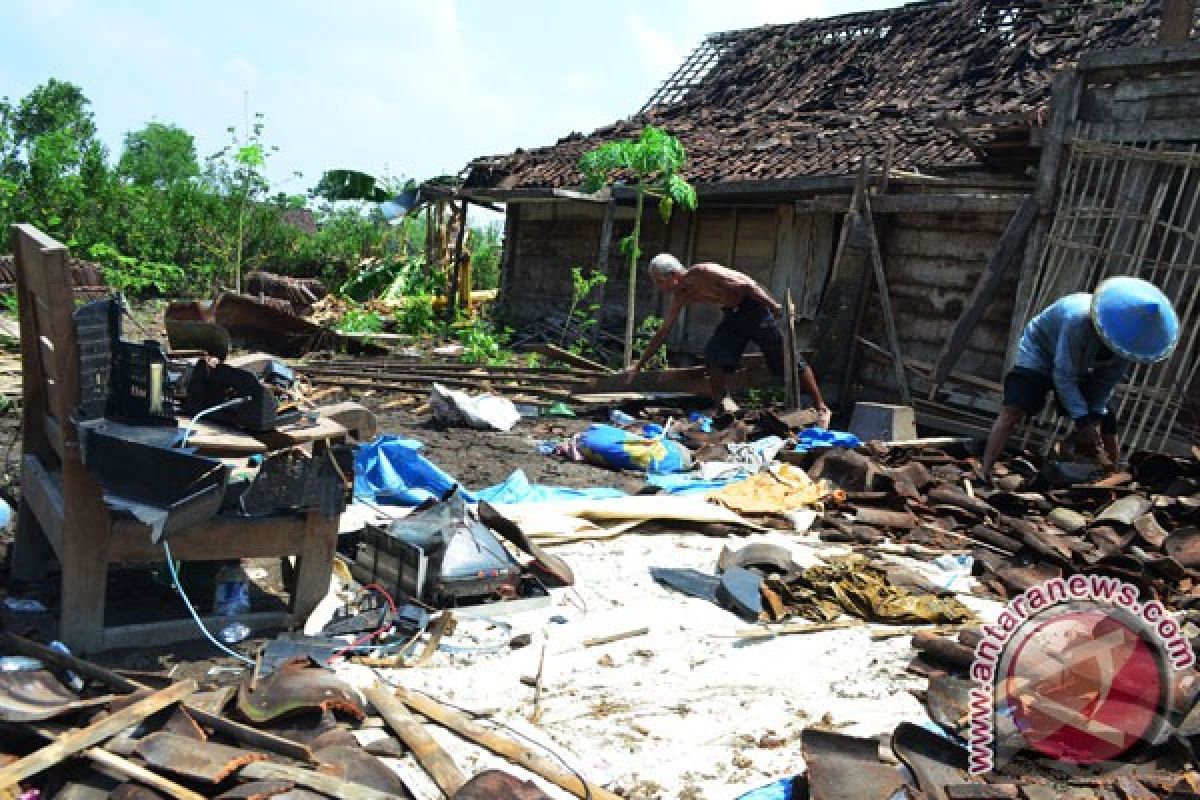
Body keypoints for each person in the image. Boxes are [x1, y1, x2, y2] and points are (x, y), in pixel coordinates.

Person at [980, 276, 1179, 481]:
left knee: (1106, 418)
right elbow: (1064, 375)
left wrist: (1092, 418)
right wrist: (1082, 421)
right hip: (1041, 351)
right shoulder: (1077, 319)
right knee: (1014, 408)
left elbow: (1104, 385)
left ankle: (1111, 476)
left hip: (1079, 364)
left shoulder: (1130, 346)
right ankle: (985, 470)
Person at [625, 253, 830, 422]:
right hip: (733, 315)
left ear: (672, 275)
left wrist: (772, 305)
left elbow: (746, 285)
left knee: (787, 358)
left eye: (659, 282)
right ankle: (722, 406)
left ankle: (821, 406)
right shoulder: (681, 296)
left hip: (754, 309)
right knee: (714, 355)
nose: (660, 288)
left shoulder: (703, 272)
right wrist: (639, 365)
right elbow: (664, 331)